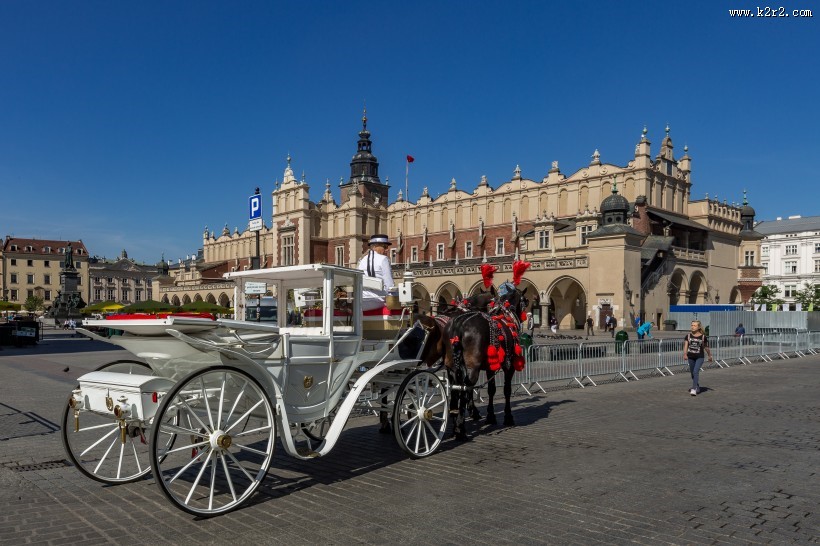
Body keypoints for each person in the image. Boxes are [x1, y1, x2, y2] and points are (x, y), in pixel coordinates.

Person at [357, 234, 395, 312]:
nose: (387, 249)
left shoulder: (362, 260)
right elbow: (389, 285)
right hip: (377, 301)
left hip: (362, 300)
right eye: (384, 247)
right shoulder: (384, 259)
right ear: (375, 246)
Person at [683, 320, 713, 396]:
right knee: (692, 373)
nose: (692, 327)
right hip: (690, 357)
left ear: (699, 327)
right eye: (692, 325)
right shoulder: (688, 336)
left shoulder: (703, 337)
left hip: (700, 357)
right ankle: (697, 386)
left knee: (696, 371)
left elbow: (706, 347)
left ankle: (694, 389)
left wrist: (709, 355)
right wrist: (685, 354)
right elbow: (686, 346)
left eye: (695, 325)